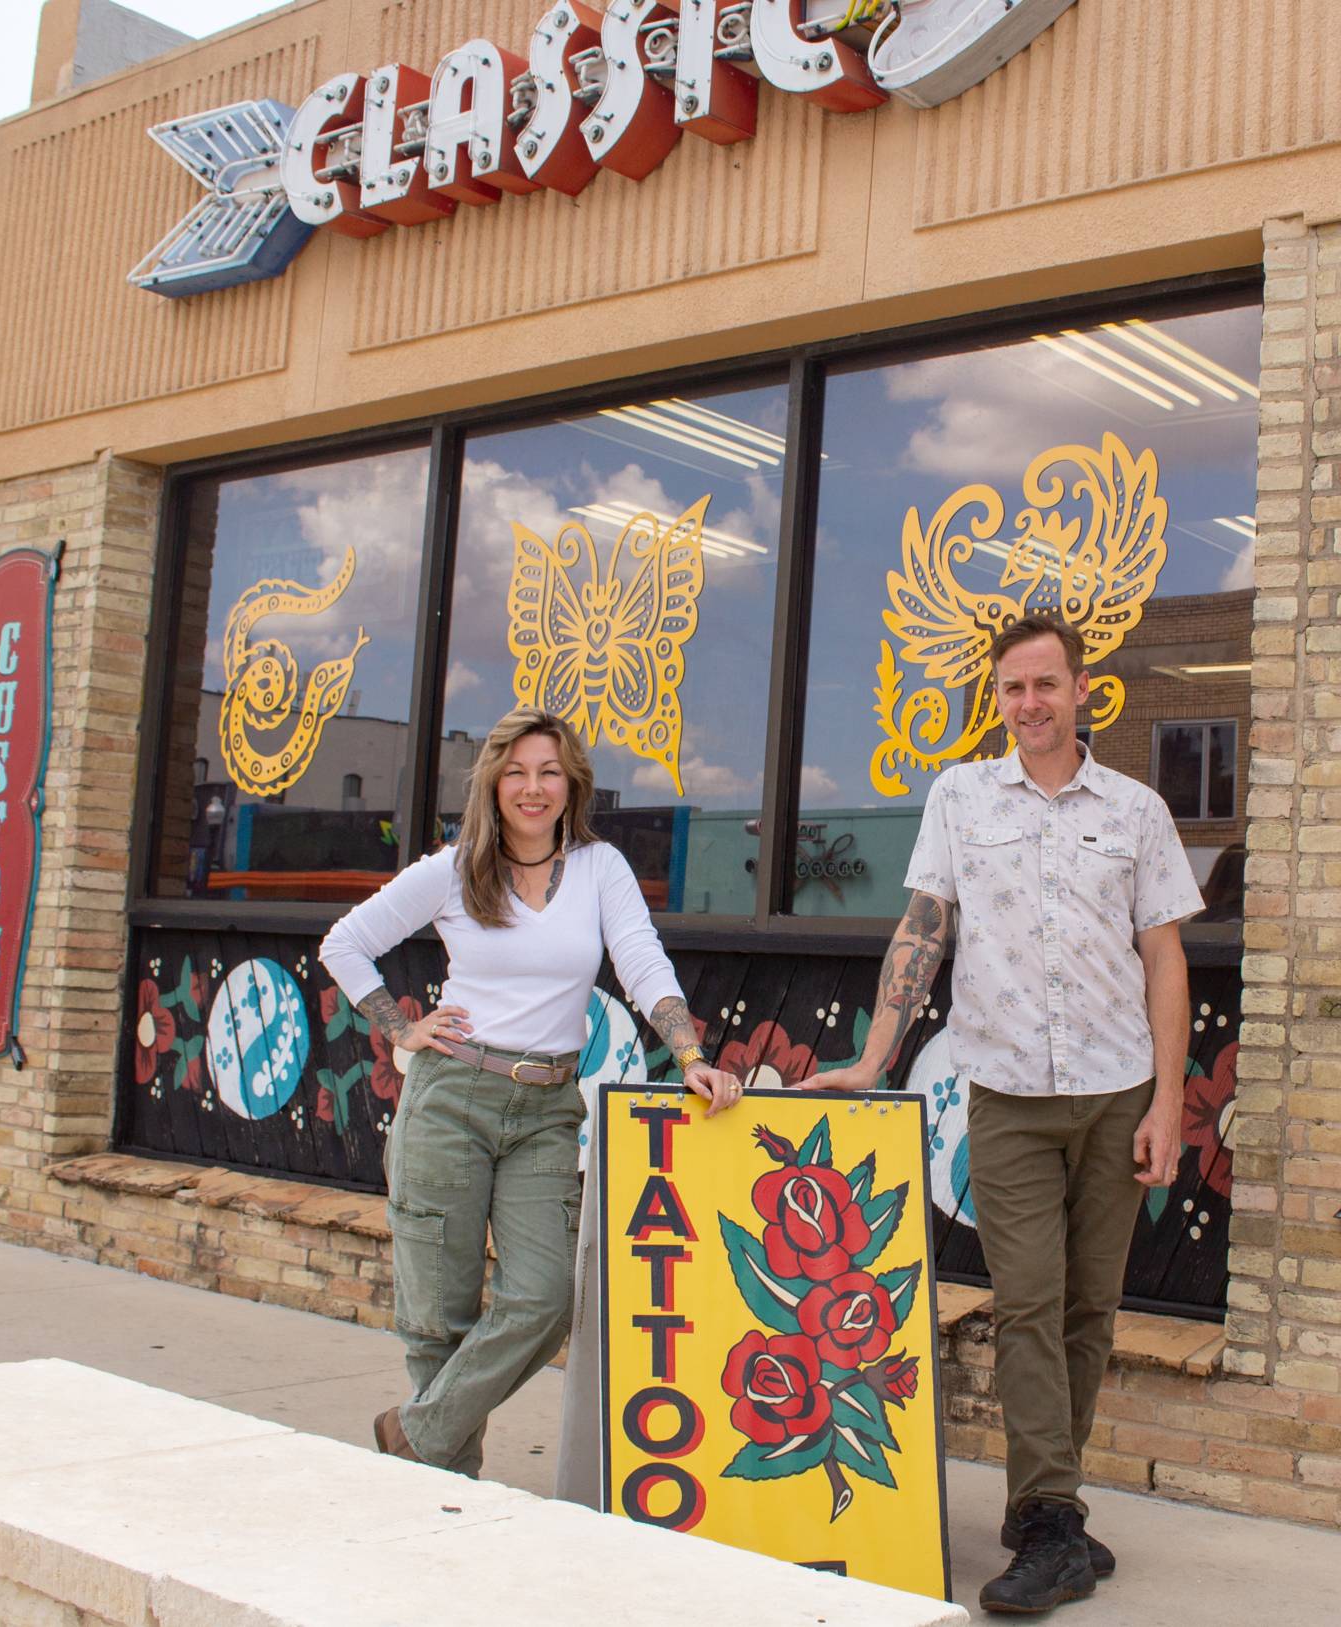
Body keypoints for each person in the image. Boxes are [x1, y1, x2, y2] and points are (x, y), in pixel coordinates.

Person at [807, 614, 1199, 1616]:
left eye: (1045, 684)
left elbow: (1163, 957)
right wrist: (873, 1057)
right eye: (1012, 688)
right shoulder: (959, 796)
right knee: (1027, 1300)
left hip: (1115, 1096)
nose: (1029, 703)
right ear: (998, 698)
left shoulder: (1137, 809)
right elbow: (924, 928)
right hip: (1008, 1100)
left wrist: (1165, 1099)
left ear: (1079, 691)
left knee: (1087, 1309)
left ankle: (1044, 1513)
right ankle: (1053, 1517)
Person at [318, 706, 742, 1483]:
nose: (532, 787)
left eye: (548, 771)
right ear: (493, 782)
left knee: (546, 1296)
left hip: (546, 1108)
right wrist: (401, 1026)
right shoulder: (451, 869)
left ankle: (412, 1432)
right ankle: (445, 1494)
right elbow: (345, 943)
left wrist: (688, 1052)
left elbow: (643, 963)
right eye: (515, 771)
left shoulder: (599, 868)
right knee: (438, 1319)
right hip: (452, 1096)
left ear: (571, 781)